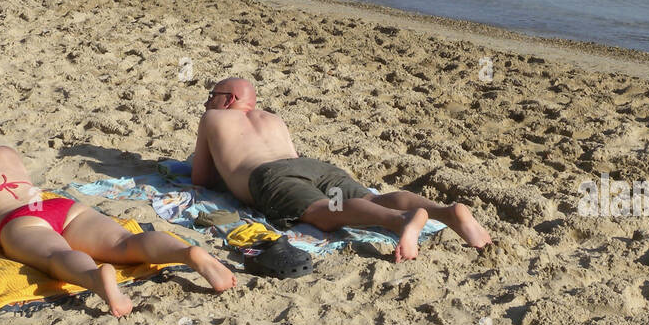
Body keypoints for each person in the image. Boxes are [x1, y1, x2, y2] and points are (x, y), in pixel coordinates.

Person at [0, 105, 235, 316]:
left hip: (18, 221)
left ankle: (96, 279)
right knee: (124, 242)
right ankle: (187, 254)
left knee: (59, 256)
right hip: (56, 206)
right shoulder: (6, 152)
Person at [192, 79, 492, 262]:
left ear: (228, 99)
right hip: (312, 166)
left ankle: (401, 221)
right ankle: (446, 211)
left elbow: (201, 179)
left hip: (269, 175)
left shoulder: (213, 117)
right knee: (373, 199)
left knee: (322, 210)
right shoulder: (272, 118)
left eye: (212, 94)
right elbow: (291, 156)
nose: (208, 100)